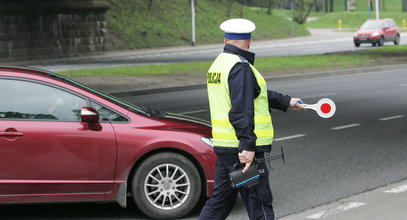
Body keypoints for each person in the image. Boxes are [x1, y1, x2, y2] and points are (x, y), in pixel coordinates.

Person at [199, 18, 305, 220]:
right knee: (259, 203)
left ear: (226, 39)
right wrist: (247, 146)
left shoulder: (219, 64)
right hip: (243, 150)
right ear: (248, 42)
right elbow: (241, 110)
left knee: (219, 202)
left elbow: (256, 93)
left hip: (226, 146)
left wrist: (287, 101)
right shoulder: (240, 67)